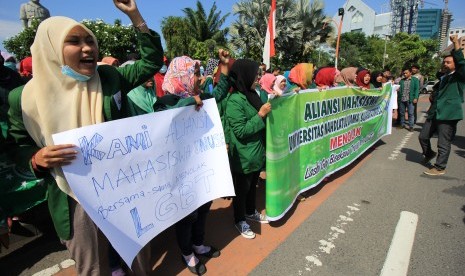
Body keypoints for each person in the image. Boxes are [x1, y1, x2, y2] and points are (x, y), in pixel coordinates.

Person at [7, 0, 164, 274]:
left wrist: (135, 16)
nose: (88, 48)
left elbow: (151, 61)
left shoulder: (108, 78)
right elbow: (18, 149)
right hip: (72, 200)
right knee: (93, 267)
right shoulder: (23, 100)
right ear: (51, 48)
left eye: (90, 41)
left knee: (138, 257)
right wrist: (36, 159)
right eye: (75, 41)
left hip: (122, 188)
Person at [160, 51, 231, 275]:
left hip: (203, 170)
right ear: (181, 76)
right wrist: (191, 101)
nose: (200, 79)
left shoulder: (201, 97)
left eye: (200, 73)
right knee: (187, 217)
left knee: (202, 211)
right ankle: (187, 252)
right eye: (196, 74)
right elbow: (164, 119)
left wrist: (223, 65)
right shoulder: (165, 102)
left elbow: (218, 91)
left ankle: (199, 244)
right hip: (180, 175)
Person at [226, 59, 271, 240]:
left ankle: (251, 211)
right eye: (255, 75)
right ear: (244, 76)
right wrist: (260, 115)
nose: (258, 78)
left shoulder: (252, 94)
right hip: (243, 156)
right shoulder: (234, 101)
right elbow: (241, 130)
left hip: (256, 153)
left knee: (252, 185)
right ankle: (239, 219)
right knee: (241, 190)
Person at [419, 34, 464, 176]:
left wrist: (456, 43)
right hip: (435, 112)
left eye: (449, 62)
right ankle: (429, 153)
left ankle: (440, 167)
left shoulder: (459, 76)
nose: (445, 64)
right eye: (444, 62)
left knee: (443, 143)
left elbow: (462, 62)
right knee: (423, 136)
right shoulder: (444, 77)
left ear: (455, 64)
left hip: (448, 114)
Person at [397, 67, 419, 132]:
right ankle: (402, 124)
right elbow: (399, 89)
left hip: (410, 99)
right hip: (402, 99)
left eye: (406, 73)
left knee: (411, 113)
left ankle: (411, 126)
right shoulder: (401, 81)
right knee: (402, 113)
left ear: (410, 73)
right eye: (404, 73)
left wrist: (415, 98)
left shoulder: (415, 80)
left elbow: (417, 89)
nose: (405, 74)